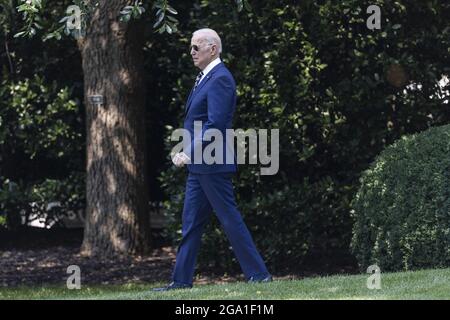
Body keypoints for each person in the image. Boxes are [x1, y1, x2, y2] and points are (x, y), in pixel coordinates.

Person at [153, 28, 271, 291]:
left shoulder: (220, 78)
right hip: (201, 165)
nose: (191, 52)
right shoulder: (206, 77)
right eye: (191, 46)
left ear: (213, 49)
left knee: (229, 219)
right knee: (191, 224)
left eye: (196, 47)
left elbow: (216, 124)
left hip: (212, 162)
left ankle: (259, 275)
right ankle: (181, 281)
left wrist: (189, 151)